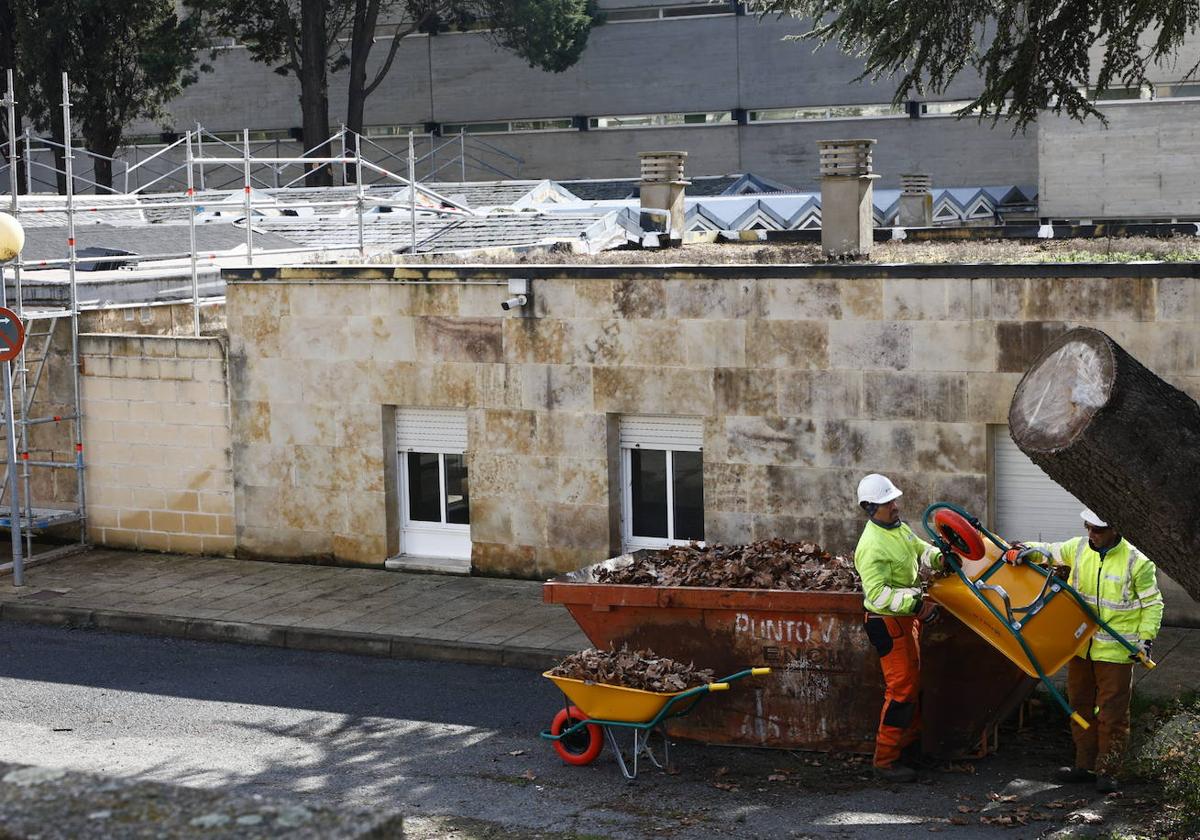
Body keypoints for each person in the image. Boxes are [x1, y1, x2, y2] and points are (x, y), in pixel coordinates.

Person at [1004, 508, 1164, 794]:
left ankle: (1108, 771)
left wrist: (1145, 640)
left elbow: (1152, 604)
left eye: (1097, 530)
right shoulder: (1078, 549)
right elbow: (1050, 551)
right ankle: (1085, 766)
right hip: (1081, 646)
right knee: (1079, 708)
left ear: (1116, 528)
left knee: (1112, 714)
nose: (1091, 534)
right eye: (1088, 527)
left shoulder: (1137, 561)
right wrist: (1025, 550)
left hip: (1116, 651)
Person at [853, 473, 944, 782]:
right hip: (887, 623)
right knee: (901, 689)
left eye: (893, 499)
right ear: (869, 508)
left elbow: (921, 549)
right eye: (886, 502)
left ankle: (908, 750)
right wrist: (917, 606)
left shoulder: (899, 529)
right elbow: (877, 595)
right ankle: (886, 760)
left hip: (904, 621)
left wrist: (942, 557)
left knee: (911, 685)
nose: (894, 505)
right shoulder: (871, 546)